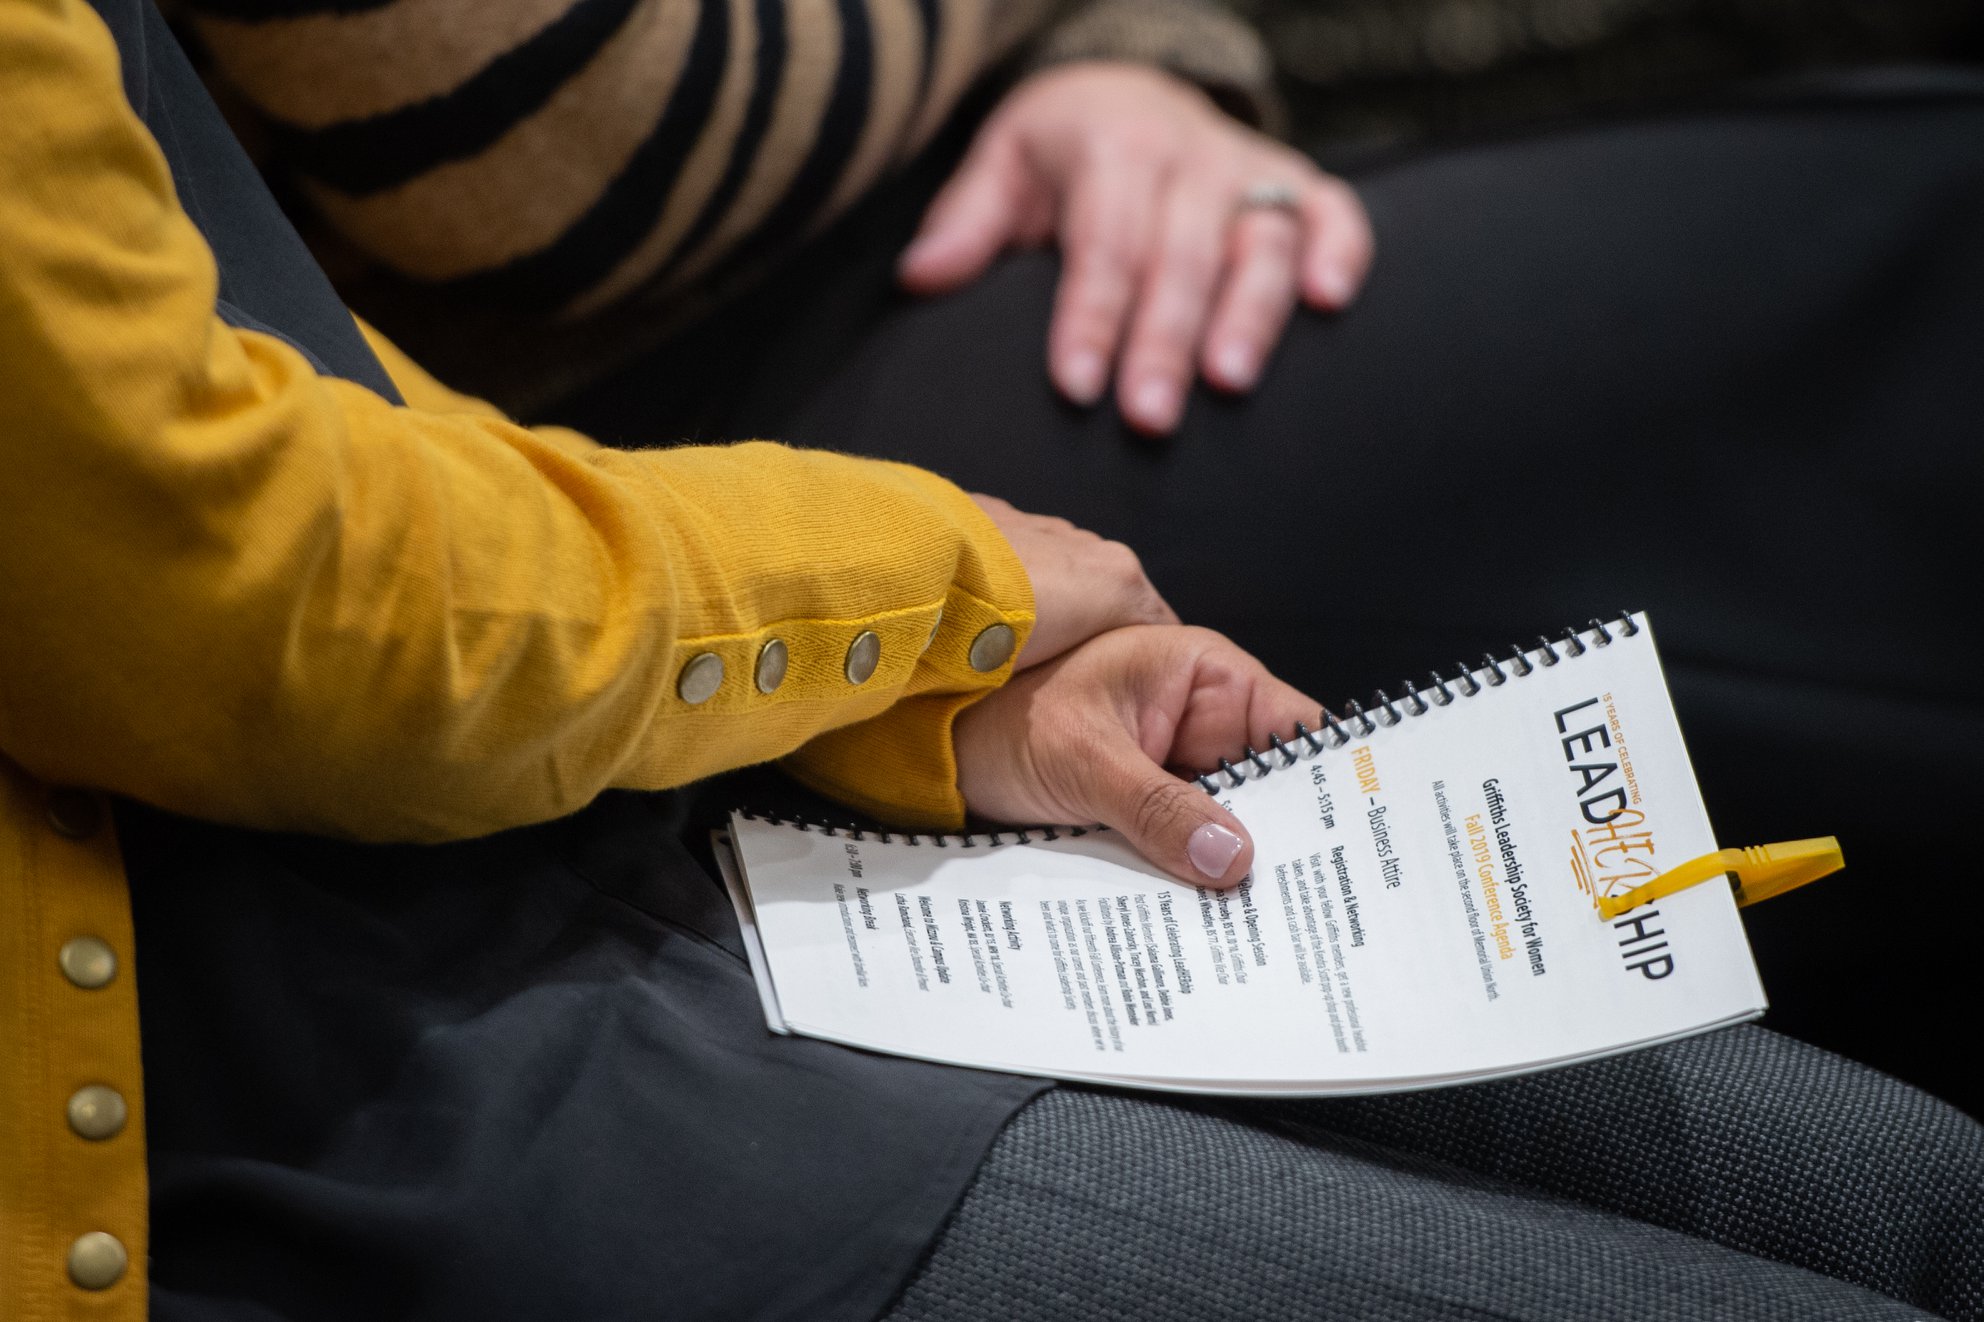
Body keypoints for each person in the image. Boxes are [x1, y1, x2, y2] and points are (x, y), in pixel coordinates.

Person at [4, 3, 1981, 1322]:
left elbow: (312, 386)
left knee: (1906, 1196)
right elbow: (271, 546)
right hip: (318, 1069)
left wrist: (916, 700)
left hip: (557, 801)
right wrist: (939, 586)